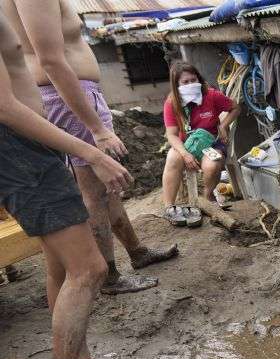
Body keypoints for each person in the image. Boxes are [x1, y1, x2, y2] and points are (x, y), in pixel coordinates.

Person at [0, 10, 132, 359]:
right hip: (18, 147)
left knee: (60, 265)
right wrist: (90, 149)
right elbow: (3, 107)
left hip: (31, 144)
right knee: (89, 269)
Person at [3, 0, 178, 294]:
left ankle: (136, 252)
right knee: (94, 192)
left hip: (73, 97)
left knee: (105, 186)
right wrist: (96, 128)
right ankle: (109, 276)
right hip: (70, 101)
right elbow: (51, 61)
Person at [161, 61, 240, 224]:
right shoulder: (172, 103)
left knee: (212, 166)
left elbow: (236, 108)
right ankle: (169, 208)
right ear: (176, 85)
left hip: (212, 142)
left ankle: (207, 197)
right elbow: (172, 134)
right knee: (172, 158)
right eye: (185, 82)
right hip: (186, 144)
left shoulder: (212, 95)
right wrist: (185, 153)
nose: (191, 84)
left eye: (193, 80)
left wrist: (224, 125)